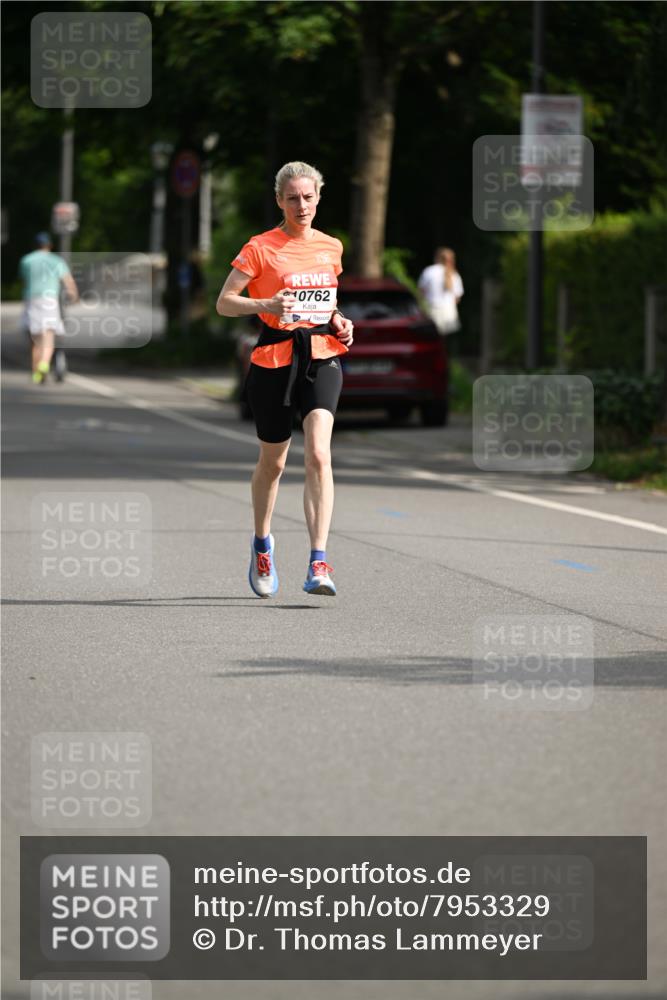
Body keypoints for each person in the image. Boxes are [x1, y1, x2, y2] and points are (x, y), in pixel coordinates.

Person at [216, 161, 354, 598]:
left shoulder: (331, 247)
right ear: (279, 200)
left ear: (319, 197)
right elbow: (225, 302)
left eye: (308, 196)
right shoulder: (260, 248)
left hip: (322, 356)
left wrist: (340, 321)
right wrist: (266, 304)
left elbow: (326, 303)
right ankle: (262, 544)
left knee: (318, 453)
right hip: (273, 359)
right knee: (273, 462)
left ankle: (319, 561)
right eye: (292, 197)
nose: (302, 205)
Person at [19, 232, 78, 384]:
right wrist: (73, 296)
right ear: (49, 245)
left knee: (35, 337)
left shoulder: (26, 260)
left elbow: (24, 281)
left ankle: (35, 371)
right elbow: (68, 282)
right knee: (49, 336)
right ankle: (45, 364)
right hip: (50, 299)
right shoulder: (56, 260)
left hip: (32, 299)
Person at [418, 247, 464, 336]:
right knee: (446, 341)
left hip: (431, 311)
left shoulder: (429, 271)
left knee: (430, 339)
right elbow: (457, 298)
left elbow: (421, 292)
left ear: (437, 258)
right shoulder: (454, 274)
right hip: (449, 313)